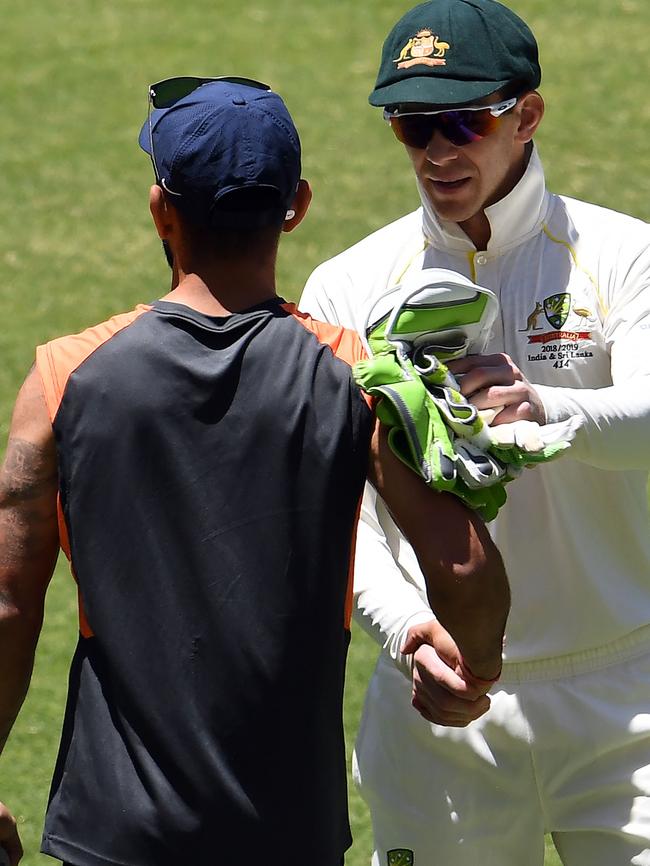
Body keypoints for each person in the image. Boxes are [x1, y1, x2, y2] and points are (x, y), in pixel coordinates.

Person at [0, 78, 510, 866]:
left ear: (159, 210)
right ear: (296, 206)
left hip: (115, 834)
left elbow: (8, 603)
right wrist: (471, 670)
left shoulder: (62, 380)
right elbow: (465, 568)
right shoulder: (354, 374)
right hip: (289, 831)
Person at [300, 0, 650, 863]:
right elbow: (330, 504)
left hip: (624, 694)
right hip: (438, 710)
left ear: (526, 114)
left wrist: (552, 407)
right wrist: (404, 629)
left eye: (466, 120)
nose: (439, 151)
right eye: (413, 126)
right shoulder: (346, 287)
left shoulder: (620, 254)